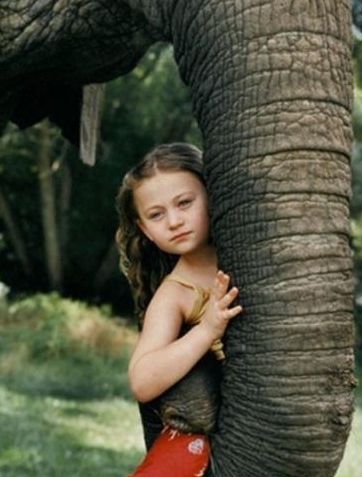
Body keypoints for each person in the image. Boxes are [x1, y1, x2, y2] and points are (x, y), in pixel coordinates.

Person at [115, 143, 243, 477]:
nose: (174, 221)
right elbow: (142, 380)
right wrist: (207, 330)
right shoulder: (176, 294)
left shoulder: (247, 256)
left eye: (185, 203)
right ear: (145, 230)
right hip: (207, 433)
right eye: (156, 215)